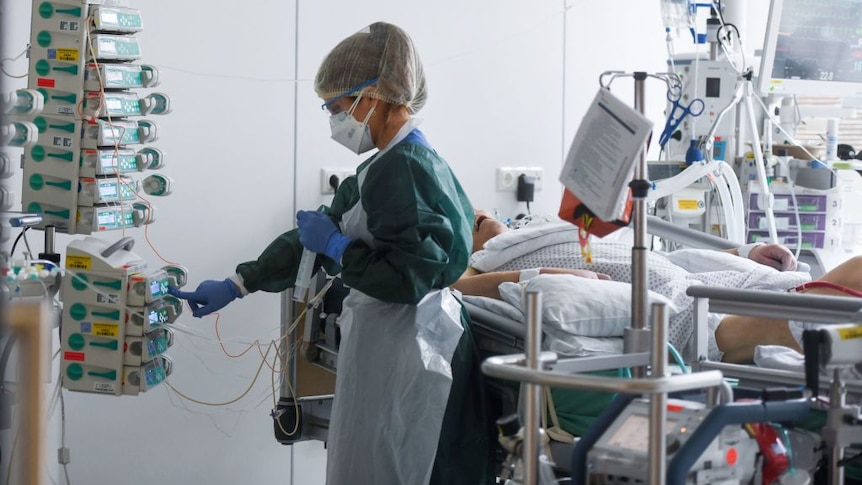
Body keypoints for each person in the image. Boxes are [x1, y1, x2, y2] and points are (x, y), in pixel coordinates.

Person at [169, 23, 494, 485]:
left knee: (405, 467)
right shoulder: (381, 166)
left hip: (416, 351)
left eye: (337, 107)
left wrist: (340, 249)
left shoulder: (407, 170)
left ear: (375, 96)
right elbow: (312, 236)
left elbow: (409, 279)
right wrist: (239, 282)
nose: (334, 119)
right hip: (390, 344)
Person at [453, 210, 862, 364]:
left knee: (853, 270)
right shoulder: (468, 272)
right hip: (678, 308)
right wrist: (534, 278)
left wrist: (742, 251)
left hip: (690, 276)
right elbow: (454, 290)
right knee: (798, 325)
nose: (478, 211)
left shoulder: (545, 227)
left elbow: (655, 252)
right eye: (465, 217)